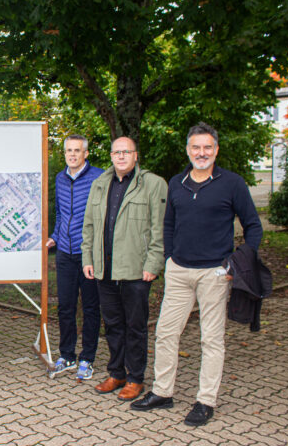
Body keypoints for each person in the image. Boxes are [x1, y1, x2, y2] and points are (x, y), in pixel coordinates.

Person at [131, 122, 263, 426]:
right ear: (187, 150)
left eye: (207, 147)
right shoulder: (177, 183)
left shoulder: (232, 184)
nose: (201, 153)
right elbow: (168, 224)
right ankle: (163, 393)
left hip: (215, 273)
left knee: (211, 340)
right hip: (179, 271)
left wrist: (239, 262)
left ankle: (206, 401)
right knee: (165, 333)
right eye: (195, 147)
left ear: (216, 150)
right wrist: (169, 258)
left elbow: (253, 227)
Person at [81, 136, 167, 402]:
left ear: (135, 155)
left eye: (126, 152)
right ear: (110, 156)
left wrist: (153, 263)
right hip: (104, 269)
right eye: (116, 152)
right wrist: (87, 258)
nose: (121, 156)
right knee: (113, 324)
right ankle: (116, 372)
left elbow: (160, 228)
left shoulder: (153, 184)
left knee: (136, 326)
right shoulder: (100, 184)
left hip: (136, 270)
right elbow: (89, 226)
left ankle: (135, 378)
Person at [46, 134, 103, 380]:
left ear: (85, 154)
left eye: (77, 150)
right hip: (65, 253)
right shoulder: (60, 177)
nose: (72, 154)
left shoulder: (100, 177)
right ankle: (67, 355)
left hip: (89, 254)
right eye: (68, 150)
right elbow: (60, 214)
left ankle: (87, 358)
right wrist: (54, 237)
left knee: (91, 308)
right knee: (65, 307)